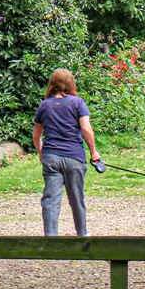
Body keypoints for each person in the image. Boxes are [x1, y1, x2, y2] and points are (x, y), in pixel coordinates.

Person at [33, 68, 101, 236]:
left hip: (51, 158)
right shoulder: (78, 103)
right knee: (76, 198)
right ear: (71, 83)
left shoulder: (44, 105)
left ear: (52, 85)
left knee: (50, 199)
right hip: (74, 157)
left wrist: (41, 153)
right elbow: (86, 129)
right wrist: (94, 152)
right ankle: (82, 234)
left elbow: (36, 134)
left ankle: (51, 238)